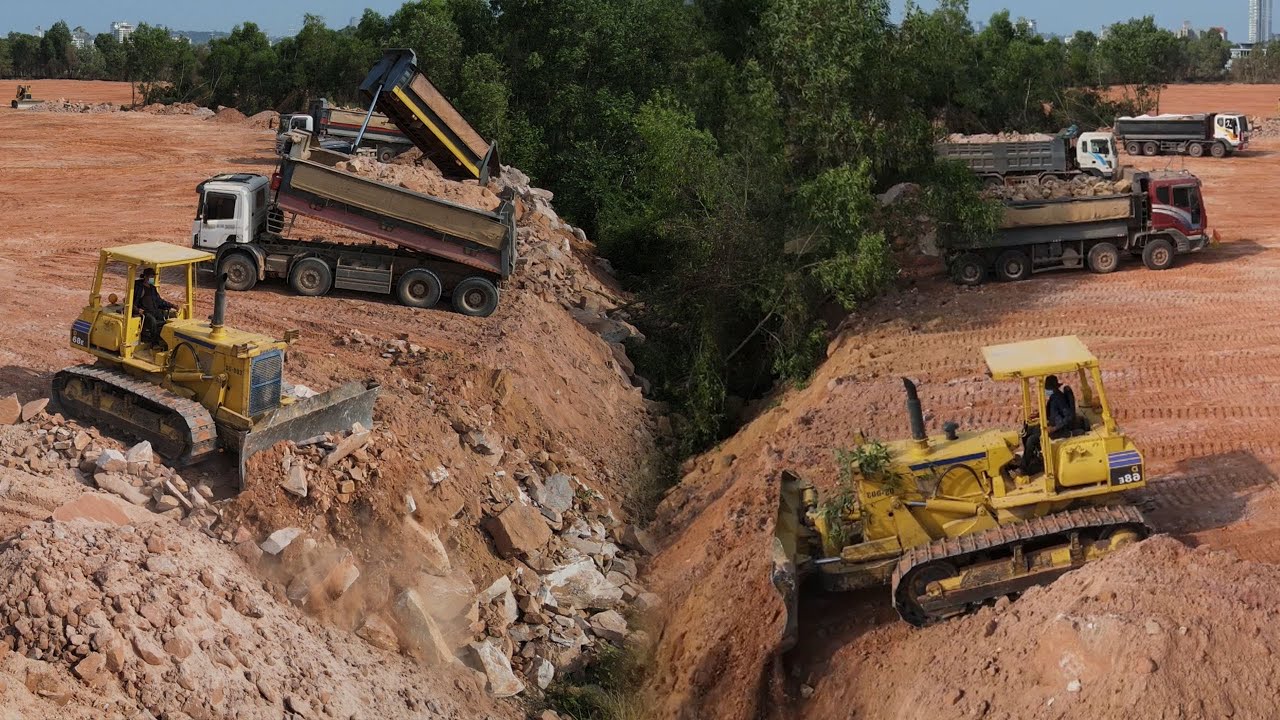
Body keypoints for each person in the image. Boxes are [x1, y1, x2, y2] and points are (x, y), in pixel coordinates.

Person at [133, 267, 175, 343]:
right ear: (145, 276)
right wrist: (137, 310)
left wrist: (172, 305)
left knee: (164, 320)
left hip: (154, 310)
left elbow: (159, 301)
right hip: (144, 312)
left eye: (153, 277)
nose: (152, 278)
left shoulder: (152, 288)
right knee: (152, 321)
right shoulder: (138, 287)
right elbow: (130, 301)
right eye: (151, 276)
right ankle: (153, 343)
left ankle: (162, 339)